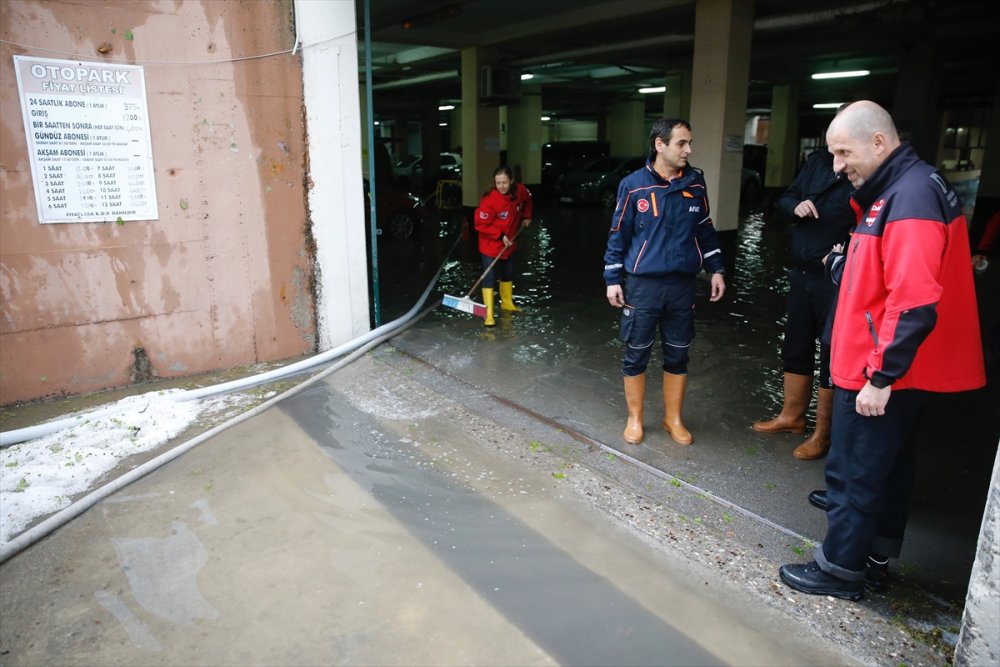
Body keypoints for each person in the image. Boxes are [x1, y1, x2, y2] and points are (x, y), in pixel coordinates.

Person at [779, 101, 986, 600]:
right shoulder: (904, 188)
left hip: (877, 367)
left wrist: (880, 376)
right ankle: (874, 558)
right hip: (887, 362)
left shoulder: (909, 196)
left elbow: (914, 301)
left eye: (843, 152)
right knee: (887, 469)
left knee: (854, 471)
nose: (837, 165)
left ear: (878, 142)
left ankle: (840, 570)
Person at [603, 117, 726, 446]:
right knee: (636, 352)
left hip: (682, 286)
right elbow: (618, 235)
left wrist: (716, 269)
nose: (688, 150)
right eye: (681, 143)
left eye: (690, 143)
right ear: (660, 145)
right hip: (643, 286)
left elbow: (705, 229)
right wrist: (613, 278)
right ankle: (635, 418)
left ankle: (673, 419)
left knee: (678, 353)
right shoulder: (633, 185)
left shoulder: (695, 184)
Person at [752, 145, 855, 460]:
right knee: (795, 345)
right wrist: (795, 206)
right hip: (802, 269)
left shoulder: (866, 171)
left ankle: (823, 434)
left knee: (831, 353)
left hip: (838, 277)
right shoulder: (817, 162)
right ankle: (792, 417)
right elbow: (785, 199)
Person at [474, 165, 533, 327]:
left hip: (510, 243)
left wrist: (527, 216)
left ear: (511, 181)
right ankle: (488, 314)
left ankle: (506, 303)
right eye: (498, 183)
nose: (501, 186)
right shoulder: (489, 200)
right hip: (490, 244)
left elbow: (527, 199)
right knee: (490, 277)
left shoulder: (519, 191)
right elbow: (480, 224)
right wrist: (500, 236)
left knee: (508, 272)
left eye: (504, 182)